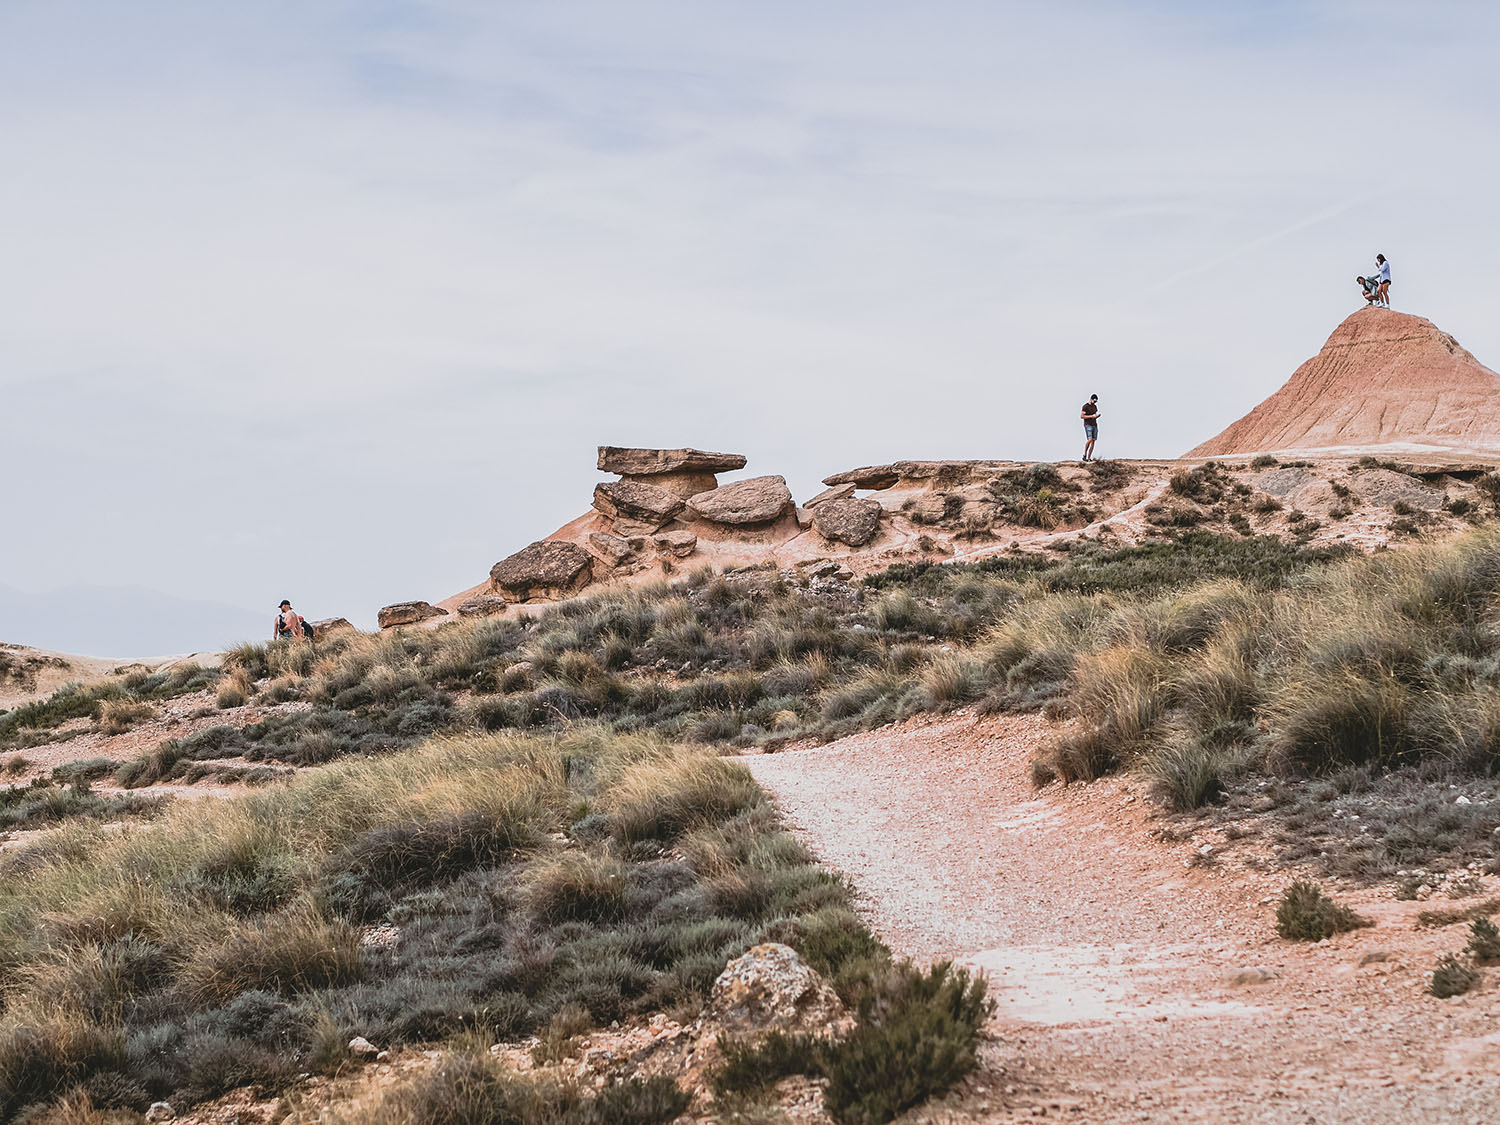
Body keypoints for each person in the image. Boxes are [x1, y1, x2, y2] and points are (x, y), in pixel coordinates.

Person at [1080, 394, 1100, 461]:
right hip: (1088, 424)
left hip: (1094, 424)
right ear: (1091, 399)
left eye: (1096, 401)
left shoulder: (1095, 407)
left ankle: (1089, 457)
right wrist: (1091, 416)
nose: (1095, 403)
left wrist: (1096, 416)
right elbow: (1082, 416)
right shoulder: (1085, 406)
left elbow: (1094, 415)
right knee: (1090, 439)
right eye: (1094, 401)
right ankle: (1084, 455)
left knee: (1093, 441)